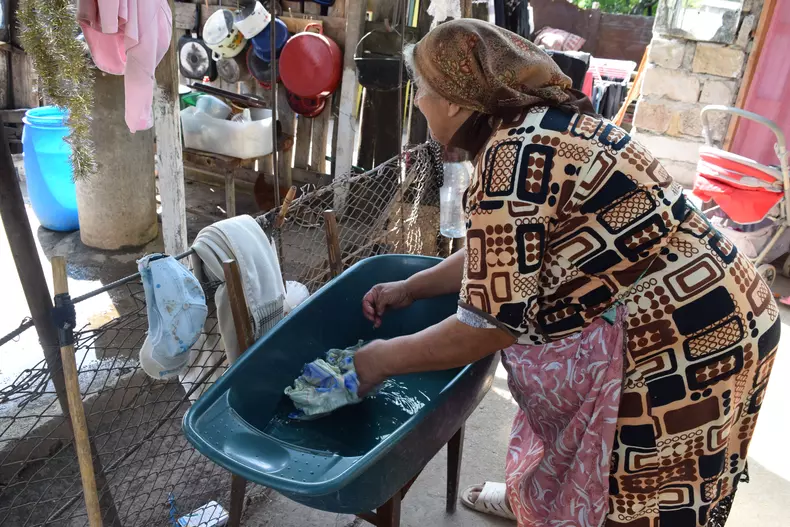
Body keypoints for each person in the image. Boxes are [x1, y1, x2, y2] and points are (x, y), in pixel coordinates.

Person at [353, 18, 780, 527]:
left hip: (682, 338)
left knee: (637, 492)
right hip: (728, 303)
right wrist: (411, 287)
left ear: (452, 99)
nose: (418, 103)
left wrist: (377, 360)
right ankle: (532, 499)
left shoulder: (510, 159)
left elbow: (488, 325)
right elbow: (506, 253)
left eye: (420, 90)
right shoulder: (542, 123)